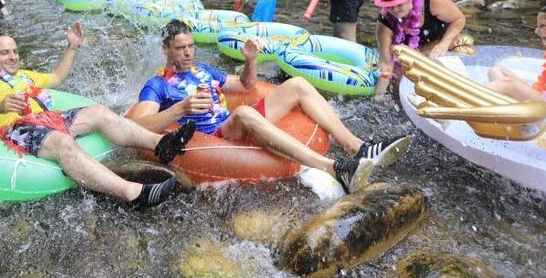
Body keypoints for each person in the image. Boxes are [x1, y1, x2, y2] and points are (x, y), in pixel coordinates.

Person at [128, 20, 412, 194]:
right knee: (243, 112)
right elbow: (136, 127)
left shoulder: (203, 70)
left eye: (190, 46)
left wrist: (251, 60)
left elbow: (245, 86)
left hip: (235, 124)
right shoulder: (158, 85)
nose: (188, 52)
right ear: (165, 49)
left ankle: (357, 147)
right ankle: (334, 167)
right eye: (180, 48)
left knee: (298, 84)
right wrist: (181, 108)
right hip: (214, 137)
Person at [0, 23, 195, 208]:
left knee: (99, 111)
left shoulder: (25, 76)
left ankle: (162, 144)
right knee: (60, 141)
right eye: (5, 53)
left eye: (15, 51)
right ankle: (133, 193)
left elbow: (56, 78)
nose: (13, 56)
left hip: (48, 119)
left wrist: (73, 47)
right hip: (14, 128)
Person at [373, 0, 469, 101]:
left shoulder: (432, 0)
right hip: (412, 51)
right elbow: (386, 63)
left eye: (399, 4)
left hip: (440, 42)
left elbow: (459, 19)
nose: (395, 10)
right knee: (397, 80)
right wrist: (379, 95)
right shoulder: (385, 22)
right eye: (390, 6)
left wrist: (444, 43)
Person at [487, 0, 546, 113]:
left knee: (506, 84)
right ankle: (506, 106)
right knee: (497, 70)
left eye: (543, 26)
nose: (537, 31)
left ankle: (467, 103)